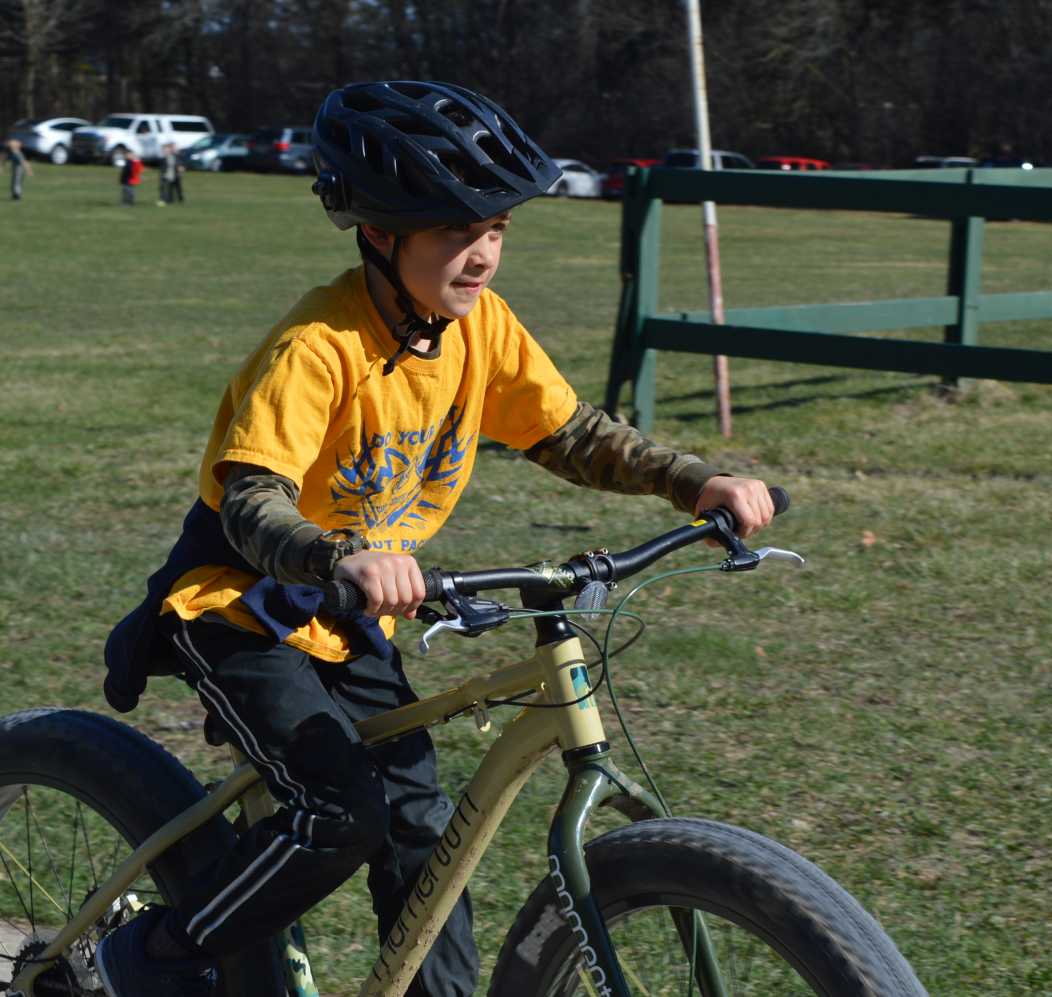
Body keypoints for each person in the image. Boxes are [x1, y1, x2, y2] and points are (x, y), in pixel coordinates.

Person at [97, 80, 774, 997]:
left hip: (347, 616)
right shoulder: (319, 343)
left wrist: (694, 479)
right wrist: (340, 556)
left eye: (495, 228)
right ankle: (157, 954)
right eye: (457, 230)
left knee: (426, 828)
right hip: (237, 604)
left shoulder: (476, 328)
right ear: (381, 233)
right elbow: (251, 501)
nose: (484, 253)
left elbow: (570, 433)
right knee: (344, 812)